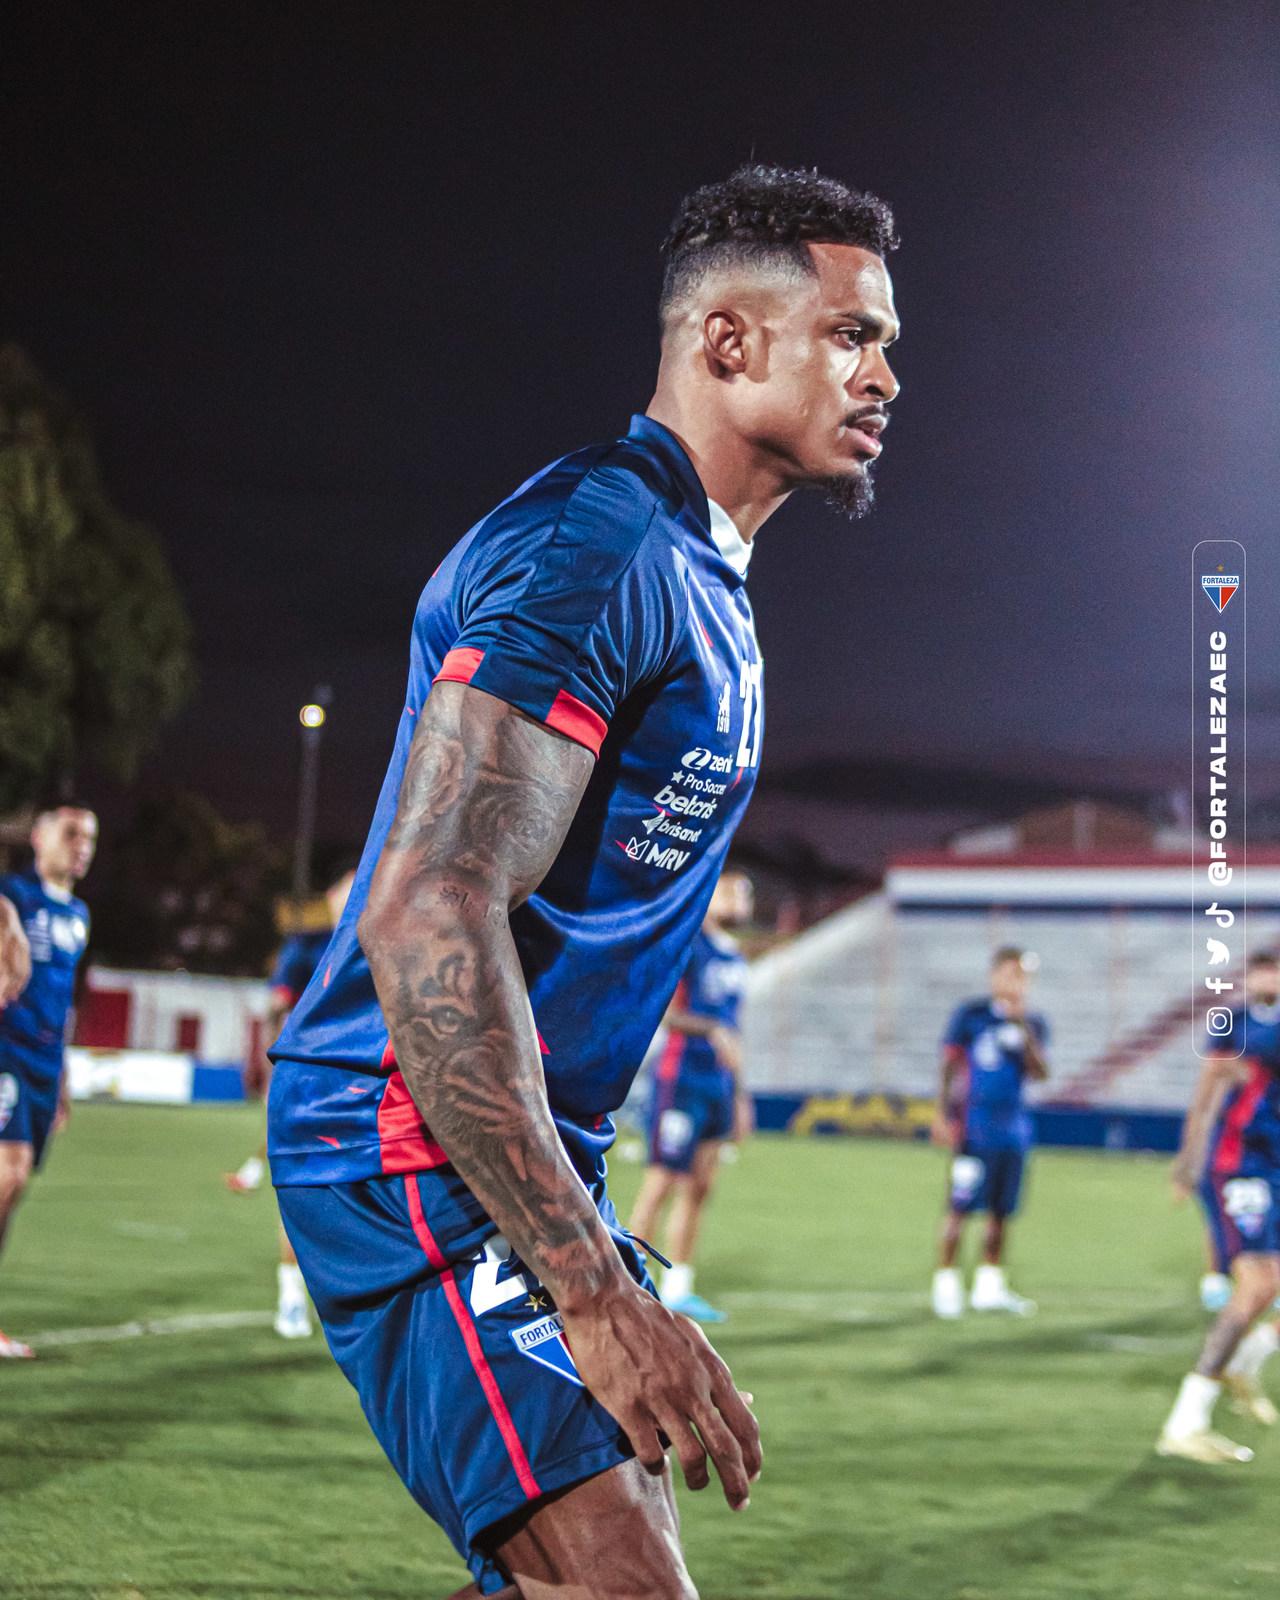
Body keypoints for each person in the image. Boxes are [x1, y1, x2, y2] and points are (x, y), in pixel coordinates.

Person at [267, 162, 900, 1598]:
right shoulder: (597, 546)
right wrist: (595, 1289)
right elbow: (429, 904)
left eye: (885, 345)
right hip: (406, 1137)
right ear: (727, 340)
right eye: (851, 336)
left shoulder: (700, 576)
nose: (884, 376)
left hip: (517, 1146)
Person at [226, 864, 356, 1338]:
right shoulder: (307, 948)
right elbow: (277, 1009)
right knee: (302, 1188)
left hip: (361, 1086)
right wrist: (269, 1067)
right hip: (307, 1081)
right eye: (351, 888)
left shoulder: (385, 944)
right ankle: (291, 1297)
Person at [1159, 952, 1280, 1462]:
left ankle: (1242, 1365)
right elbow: (1208, 1088)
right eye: (1262, 970)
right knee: (1257, 1283)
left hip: (1270, 1167)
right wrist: (1188, 1160)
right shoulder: (1238, 1025)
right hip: (1239, 1165)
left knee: (1267, 1284)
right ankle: (1186, 1422)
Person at [629, 869, 754, 1325]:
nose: (740, 900)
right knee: (660, 1182)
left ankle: (679, 1287)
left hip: (718, 1084)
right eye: (731, 891)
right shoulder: (690, 944)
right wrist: (712, 1030)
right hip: (681, 1077)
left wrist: (740, 1095)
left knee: (700, 1187)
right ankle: (630, 1284)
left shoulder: (734, 955)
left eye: (745, 894)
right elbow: (667, 1012)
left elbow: (734, 1032)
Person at [0, 801, 98, 1358]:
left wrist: (61, 1078)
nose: (81, 846)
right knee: (8, 1174)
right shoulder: (14, 894)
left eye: (89, 838)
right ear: (38, 838)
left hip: (44, 1064)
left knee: (12, 1189)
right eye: (70, 833)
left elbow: (65, 1002)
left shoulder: (79, 915)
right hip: (6, 1050)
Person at [931, 947, 1049, 1319]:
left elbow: (1040, 1073)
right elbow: (949, 1066)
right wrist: (942, 1114)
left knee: (1001, 1211)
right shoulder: (972, 1015)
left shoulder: (1033, 1022)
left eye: (1024, 976)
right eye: (1013, 974)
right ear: (995, 975)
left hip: (1012, 1130)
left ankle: (989, 1286)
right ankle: (946, 1284)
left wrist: (1023, 1029)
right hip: (974, 1128)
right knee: (960, 1207)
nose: (1019, 983)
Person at [1193, 952, 1280, 1314]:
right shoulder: (1233, 1021)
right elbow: (1213, 1077)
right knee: (1233, 1213)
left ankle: (1262, 1286)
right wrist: (1194, 1146)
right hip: (1240, 1142)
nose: (1267, 981)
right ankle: (1219, 1275)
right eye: (1260, 974)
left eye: (1273, 974)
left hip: (1273, 1140)